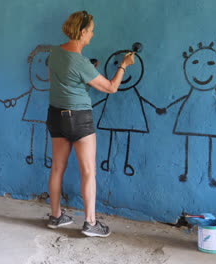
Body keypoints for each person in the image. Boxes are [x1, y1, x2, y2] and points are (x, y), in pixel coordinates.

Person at [46, 10, 135, 237]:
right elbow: (111, 88)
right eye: (92, 31)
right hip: (79, 118)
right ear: (83, 31)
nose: (93, 35)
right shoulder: (81, 62)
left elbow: (63, 77)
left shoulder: (54, 53)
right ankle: (91, 223)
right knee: (88, 171)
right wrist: (123, 65)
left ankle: (55, 217)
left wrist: (88, 69)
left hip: (55, 116)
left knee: (57, 168)